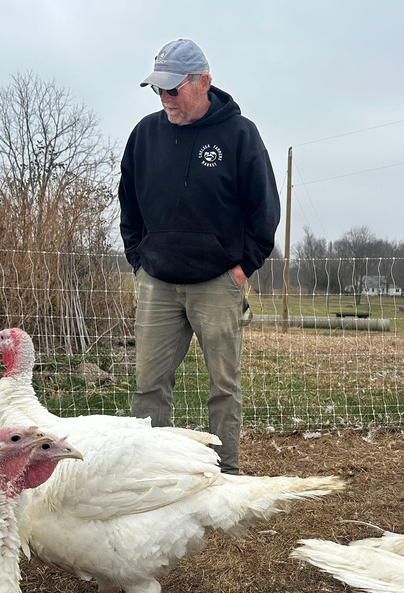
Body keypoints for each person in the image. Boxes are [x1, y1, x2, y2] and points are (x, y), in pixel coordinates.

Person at [119, 38, 280, 474]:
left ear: (203, 82)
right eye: (159, 90)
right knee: (149, 385)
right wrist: (139, 258)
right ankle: (151, 472)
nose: (166, 99)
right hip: (158, 280)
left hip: (217, 282)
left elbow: (264, 211)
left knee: (223, 386)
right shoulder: (144, 136)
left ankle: (225, 473)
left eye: (174, 89)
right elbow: (129, 206)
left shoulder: (240, 135)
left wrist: (242, 269)